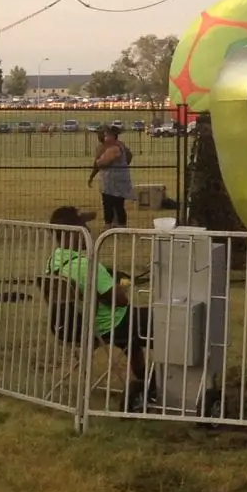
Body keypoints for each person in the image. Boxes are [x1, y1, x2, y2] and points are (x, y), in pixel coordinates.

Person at [43, 205, 145, 375]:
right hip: (105, 325)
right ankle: (156, 386)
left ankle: (144, 381)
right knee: (159, 323)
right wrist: (122, 287)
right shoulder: (86, 265)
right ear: (73, 232)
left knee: (132, 336)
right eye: (85, 226)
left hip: (66, 326)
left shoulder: (53, 261)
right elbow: (120, 301)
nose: (89, 231)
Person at [89, 126, 133, 227]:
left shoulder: (111, 147)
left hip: (114, 181)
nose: (102, 137)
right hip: (112, 180)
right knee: (115, 203)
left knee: (112, 203)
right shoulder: (118, 145)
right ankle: (117, 224)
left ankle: (115, 225)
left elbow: (99, 163)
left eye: (105, 134)